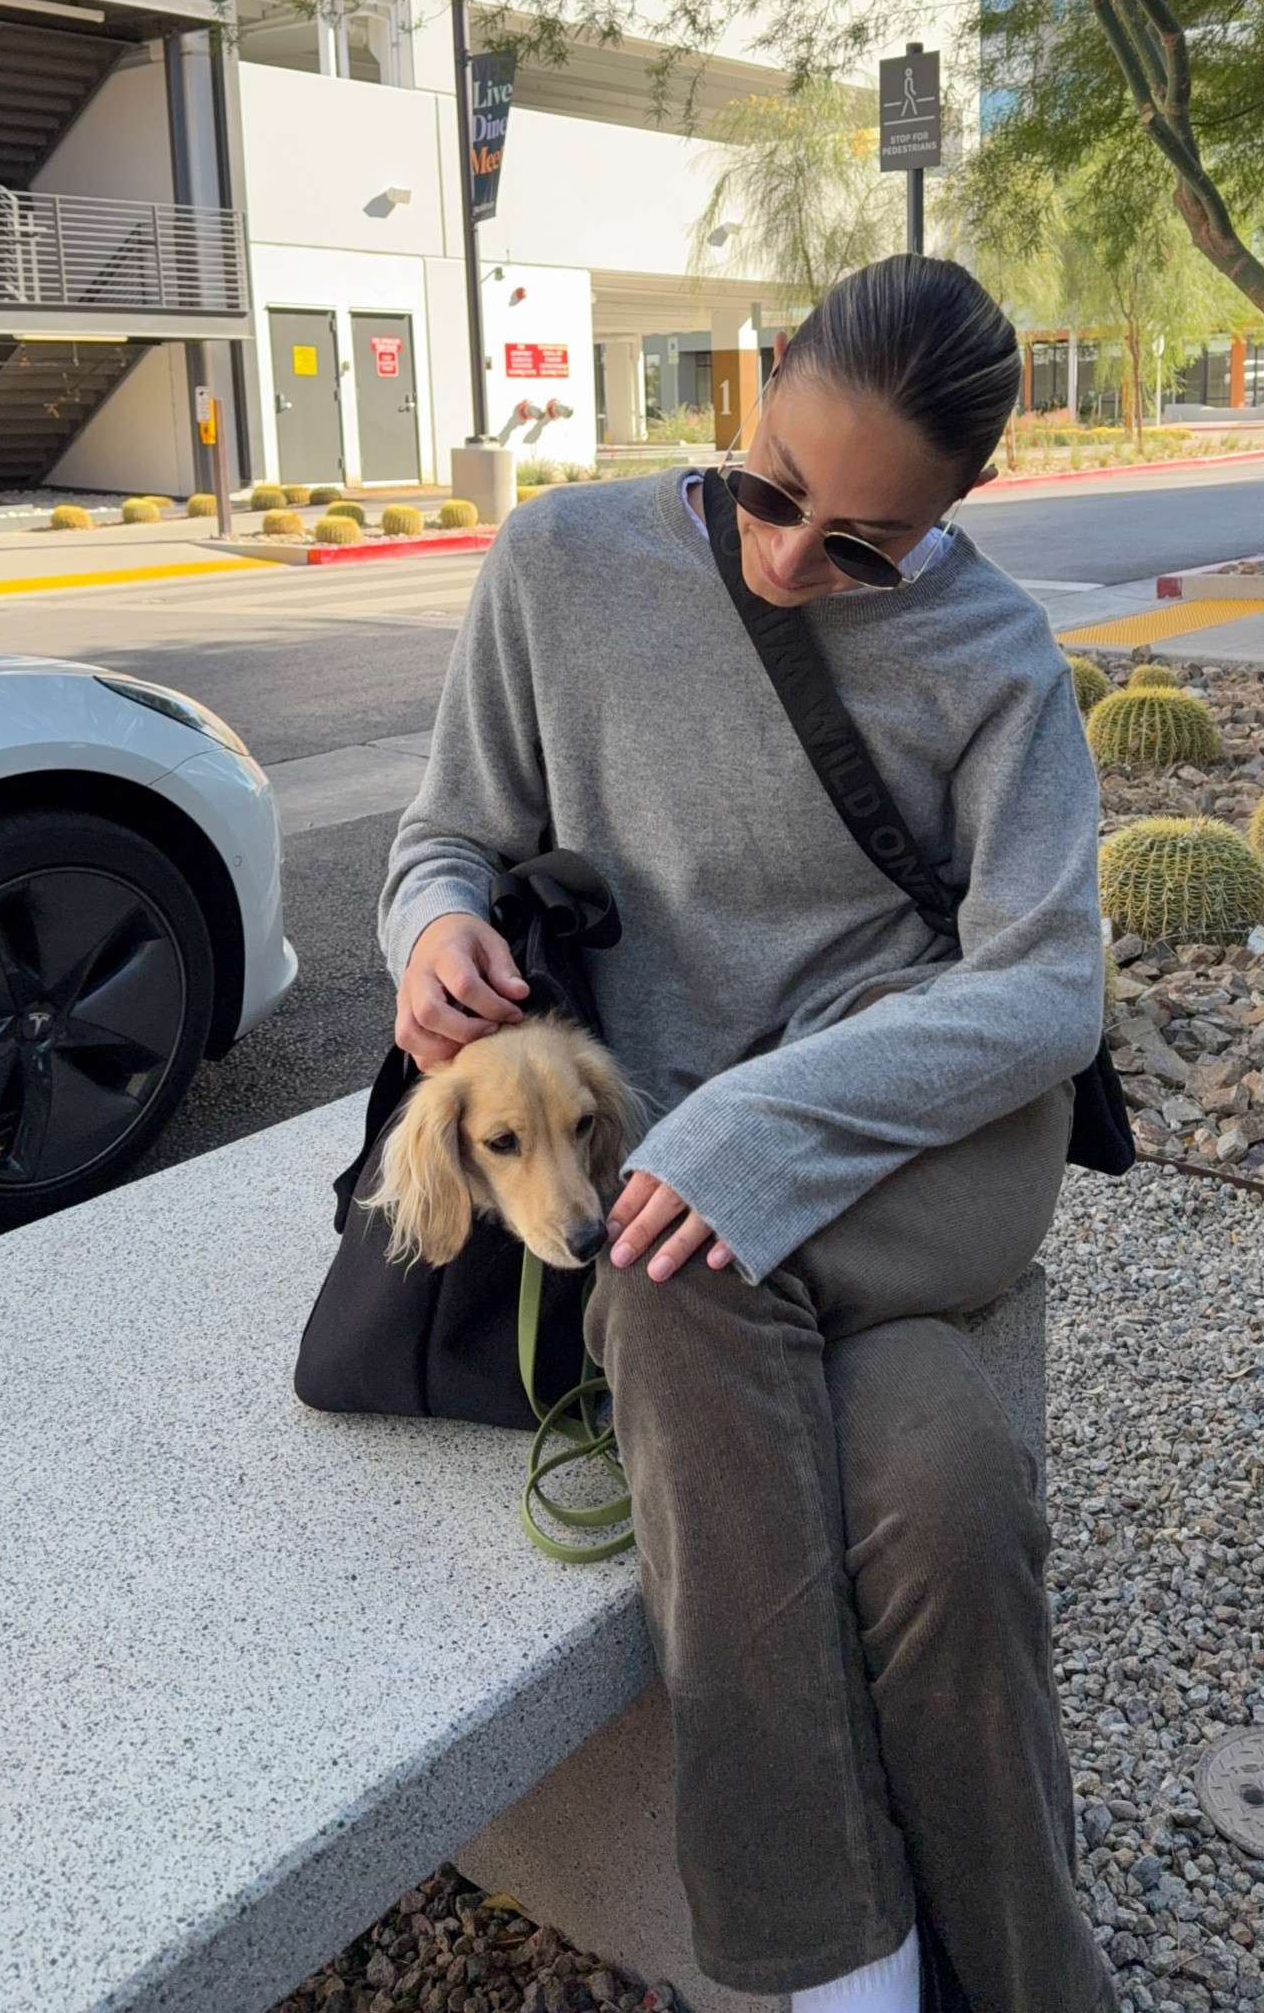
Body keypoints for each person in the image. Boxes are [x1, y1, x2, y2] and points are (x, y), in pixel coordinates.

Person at [380, 255, 1116, 2013]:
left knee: (665, 1270)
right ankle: (1037, 1984)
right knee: (936, 1487)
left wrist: (755, 1134)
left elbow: (1045, 992)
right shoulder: (561, 562)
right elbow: (445, 835)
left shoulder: (996, 657)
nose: (790, 559)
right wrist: (432, 930)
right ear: (761, 380)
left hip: (921, 1152)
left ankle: (835, 1978)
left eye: (865, 545)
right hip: (674, 1159)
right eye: (773, 489)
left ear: (964, 502)